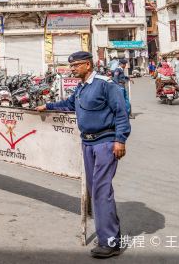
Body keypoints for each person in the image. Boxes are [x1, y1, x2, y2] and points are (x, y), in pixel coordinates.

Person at [36, 51, 130, 259]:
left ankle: (110, 242)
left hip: (105, 143)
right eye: (71, 66)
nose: (72, 69)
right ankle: (110, 234)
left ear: (87, 65)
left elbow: (120, 112)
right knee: (93, 189)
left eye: (76, 65)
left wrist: (120, 140)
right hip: (87, 143)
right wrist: (48, 106)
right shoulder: (81, 87)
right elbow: (70, 105)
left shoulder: (105, 84)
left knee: (101, 190)